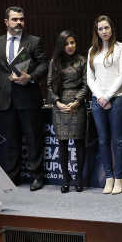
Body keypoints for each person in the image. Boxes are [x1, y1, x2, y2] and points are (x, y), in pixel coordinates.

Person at [0, 7, 49, 191]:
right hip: (6, 99)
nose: (19, 22)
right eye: (14, 19)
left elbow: (44, 64)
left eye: (21, 19)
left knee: (33, 140)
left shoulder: (34, 41)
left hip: (29, 98)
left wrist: (31, 77)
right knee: (11, 141)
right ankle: (13, 177)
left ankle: (37, 177)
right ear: (6, 22)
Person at [86, 16, 122, 195]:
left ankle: (119, 178)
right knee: (103, 140)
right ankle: (109, 177)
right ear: (96, 31)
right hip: (97, 100)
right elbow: (90, 78)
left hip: (117, 98)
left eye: (106, 28)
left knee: (118, 140)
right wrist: (100, 97)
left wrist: (108, 96)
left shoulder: (120, 47)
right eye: (100, 29)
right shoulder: (92, 51)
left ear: (111, 29)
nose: (104, 31)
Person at [48, 30, 89, 193]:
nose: (70, 46)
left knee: (79, 142)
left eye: (72, 42)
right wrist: (57, 102)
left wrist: (77, 101)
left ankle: (79, 178)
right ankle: (65, 178)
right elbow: (50, 85)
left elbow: (86, 84)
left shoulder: (82, 61)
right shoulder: (54, 62)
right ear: (61, 45)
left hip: (77, 106)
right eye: (66, 44)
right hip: (60, 106)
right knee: (62, 143)